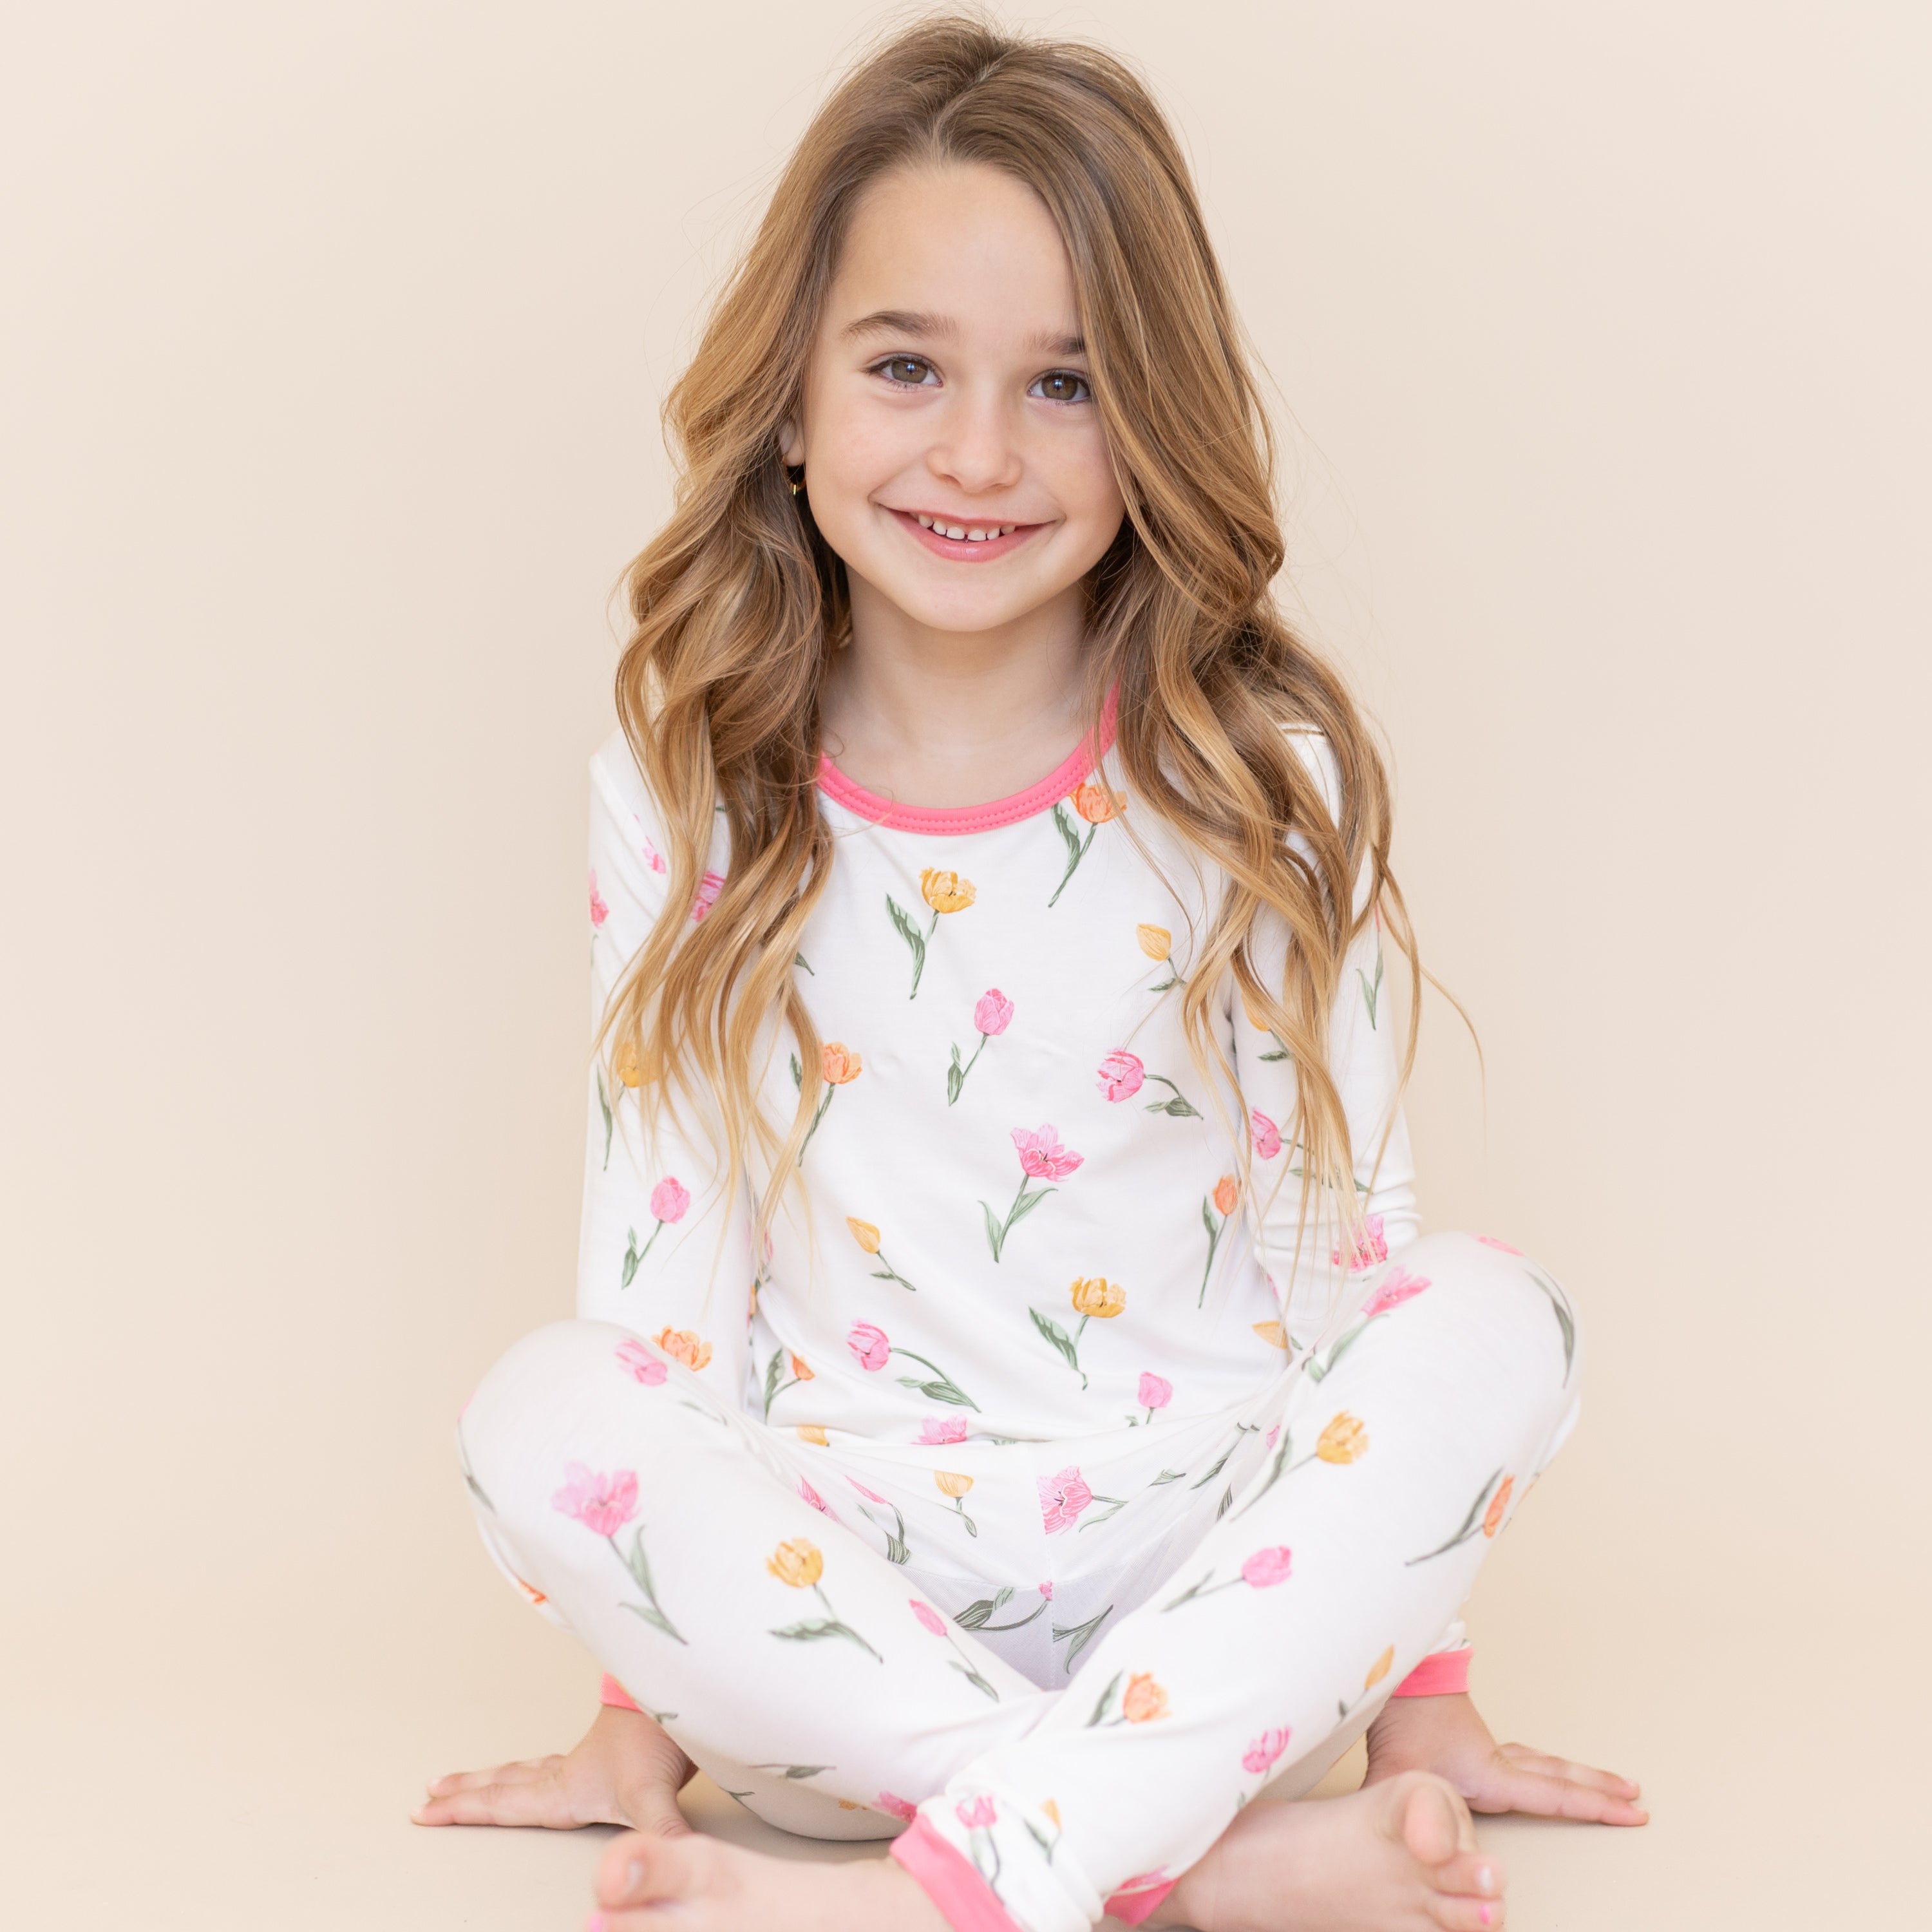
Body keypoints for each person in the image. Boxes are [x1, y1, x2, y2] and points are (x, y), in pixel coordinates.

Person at [413, 19, 1643, 1931]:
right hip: (843, 1625)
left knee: (1502, 1315)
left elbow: (1345, 1246)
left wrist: (1420, 1706)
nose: (978, 452)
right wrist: (635, 1709)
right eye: (907, 366)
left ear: (1150, 414)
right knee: (536, 1406)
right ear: (794, 402)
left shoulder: (1260, 780)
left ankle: (953, 1884)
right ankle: (1186, 1863)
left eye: (1065, 384)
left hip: (1217, 1603)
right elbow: (665, 1268)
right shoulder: (684, 791)